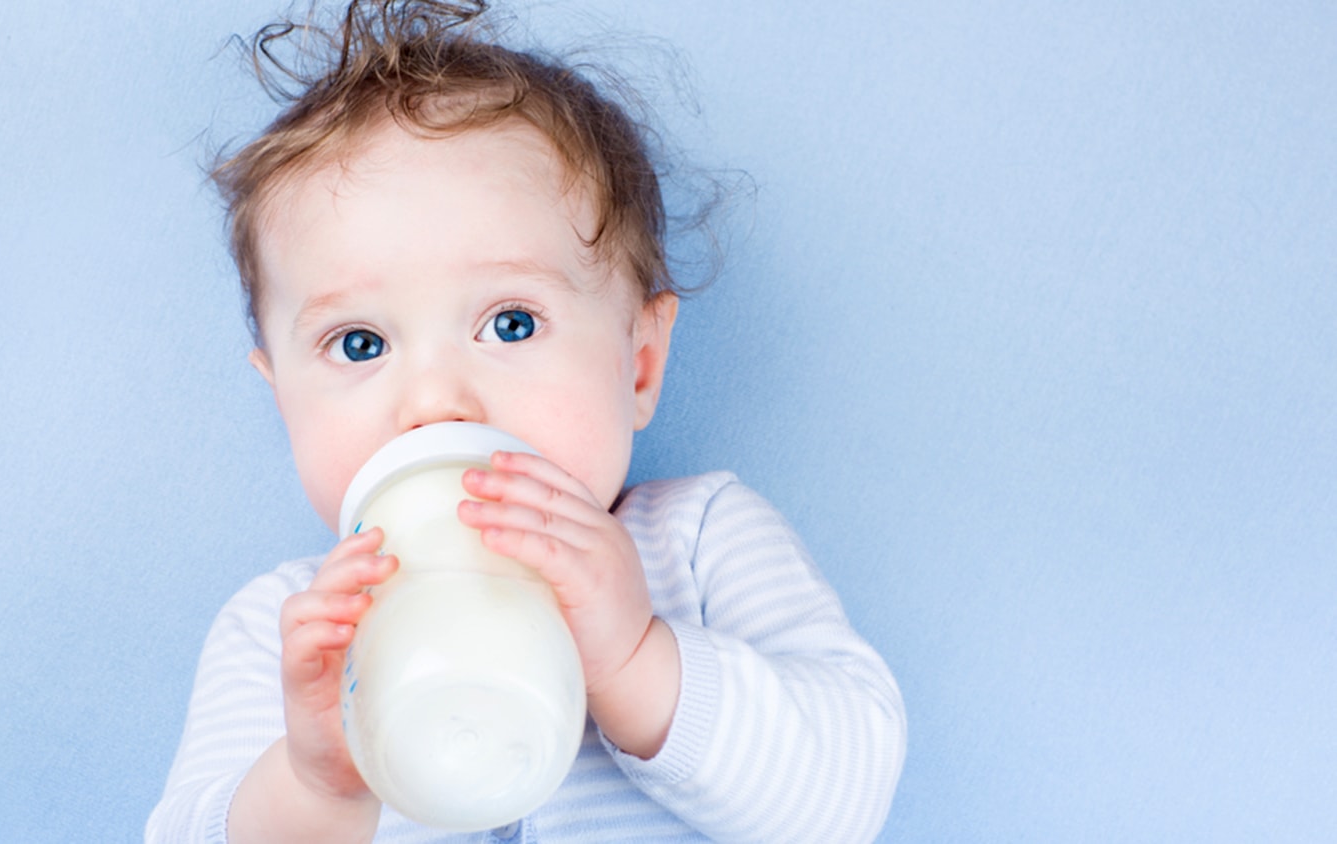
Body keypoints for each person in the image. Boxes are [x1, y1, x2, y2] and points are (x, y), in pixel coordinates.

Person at [147, 1, 905, 841]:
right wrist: (316, 786)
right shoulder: (291, 633)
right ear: (283, 396)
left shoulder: (696, 547)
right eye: (360, 343)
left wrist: (636, 661)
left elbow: (846, 795)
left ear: (639, 363)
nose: (436, 404)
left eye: (511, 323)